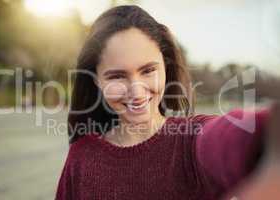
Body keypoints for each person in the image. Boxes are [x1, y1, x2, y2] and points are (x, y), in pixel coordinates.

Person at [55, 5, 276, 200]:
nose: (137, 91)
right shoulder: (81, 158)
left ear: (165, 67)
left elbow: (229, 136)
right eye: (117, 76)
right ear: (97, 81)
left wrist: (266, 132)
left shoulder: (192, 140)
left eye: (148, 70)